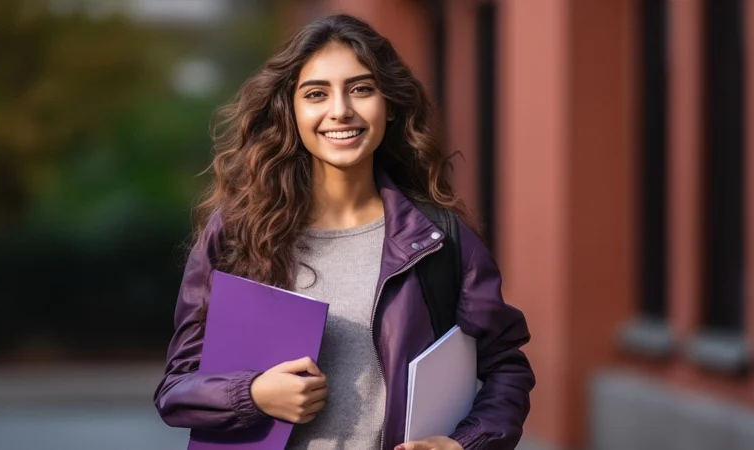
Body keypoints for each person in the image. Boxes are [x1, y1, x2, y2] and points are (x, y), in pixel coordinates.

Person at [154, 13, 534, 450]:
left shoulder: (439, 236)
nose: (340, 110)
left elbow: (506, 367)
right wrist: (253, 394)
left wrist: (464, 444)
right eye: (316, 94)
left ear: (388, 105)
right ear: (291, 111)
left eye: (361, 89)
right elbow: (177, 390)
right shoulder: (240, 232)